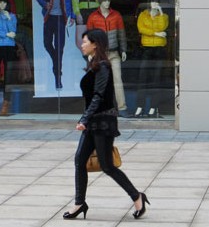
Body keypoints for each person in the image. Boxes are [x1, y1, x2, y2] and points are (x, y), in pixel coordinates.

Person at [63, 28, 149, 220]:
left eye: (85, 41)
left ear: (95, 44)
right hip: (94, 121)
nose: (82, 45)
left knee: (107, 165)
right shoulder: (94, 63)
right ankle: (79, 203)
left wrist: (84, 119)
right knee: (79, 160)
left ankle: (137, 197)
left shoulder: (103, 66)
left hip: (102, 122)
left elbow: (99, 95)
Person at [35, 0, 75, 89]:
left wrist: (73, 16)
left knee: (60, 48)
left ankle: (58, 78)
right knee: (47, 44)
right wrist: (45, 4)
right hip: (49, 17)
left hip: (60, 18)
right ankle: (55, 61)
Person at [86, 0, 128, 116]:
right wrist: (90, 52)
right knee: (100, 82)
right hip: (99, 54)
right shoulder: (93, 17)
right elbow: (89, 36)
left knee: (117, 80)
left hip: (114, 53)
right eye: (104, 0)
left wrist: (123, 49)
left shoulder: (116, 15)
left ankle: (122, 108)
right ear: (100, 2)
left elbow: (121, 34)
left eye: (108, 0)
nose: (107, 2)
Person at [136, 1, 169, 117]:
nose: (155, 5)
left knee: (157, 78)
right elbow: (141, 29)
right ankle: (140, 106)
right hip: (147, 48)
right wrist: (156, 33)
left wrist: (160, 11)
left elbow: (163, 26)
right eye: (154, 4)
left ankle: (153, 107)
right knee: (142, 77)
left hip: (159, 49)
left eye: (157, 4)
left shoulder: (163, 16)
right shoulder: (143, 15)